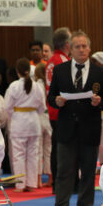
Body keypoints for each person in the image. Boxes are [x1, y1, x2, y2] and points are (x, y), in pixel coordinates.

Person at [40, 31, 103, 206]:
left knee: (88, 172)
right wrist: (56, 101)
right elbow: (50, 97)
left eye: (84, 46)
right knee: (64, 172)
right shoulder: (60, 70)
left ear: (89, 48)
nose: (81, 49)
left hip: (90, 128)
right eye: (77, 46)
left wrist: (99, 102)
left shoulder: (100, 73)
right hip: (67, 128)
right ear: (70, 49)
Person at [5, 58, 47, 191]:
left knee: (18, 155)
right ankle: (31, 184)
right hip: (34, 121)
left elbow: (7, 107)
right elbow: (42, 108)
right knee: (33, 154)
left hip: (19, 121)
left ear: (17, 71)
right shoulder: (37, 86)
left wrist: (15, 115)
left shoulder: (14, 86)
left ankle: (20, 184)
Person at [45, 27, 72, 192]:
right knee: (63, 149)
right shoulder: (63, 61)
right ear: (67, 44)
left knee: (56, 147)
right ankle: (62, 183)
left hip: (52, 110)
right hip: (62, 110)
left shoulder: (50, 61)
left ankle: (57, 182)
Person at [32, 62, 53, 187]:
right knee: (49, 149)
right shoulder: (50, 85)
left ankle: (38, 180)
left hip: (38, 117)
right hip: (49, 116)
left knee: (38, 150)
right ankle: (50, 178)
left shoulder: (35, 86)